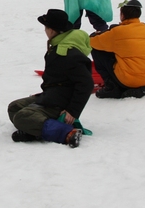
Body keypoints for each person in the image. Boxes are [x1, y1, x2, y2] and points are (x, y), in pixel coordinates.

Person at [7, 9, 92, 147]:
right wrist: (45, 92)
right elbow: (57, 78)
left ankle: (66, 133)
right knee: (14, 108)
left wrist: (72, 111)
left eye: (46, 27)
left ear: (52, 30)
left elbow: (86, 83)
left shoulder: (67, 53)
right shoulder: (58, 46)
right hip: (52, 96)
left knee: (22, 117)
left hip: (61, 104)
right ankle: (35, 130)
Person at [90, 0, 145, 99]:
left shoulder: (118, 32)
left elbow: (93, 41)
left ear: (123, 15)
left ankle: (112, 87)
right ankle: (139, 87)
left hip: (128, 79)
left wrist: (97, 34)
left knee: (97, 50)